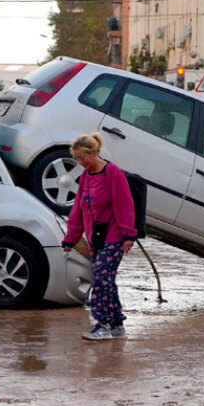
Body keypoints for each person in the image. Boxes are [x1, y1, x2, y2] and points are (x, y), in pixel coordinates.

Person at [60, 133, 137, 341]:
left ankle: (102, 324)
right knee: (107, 280)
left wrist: (129, 234)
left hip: (114, 237)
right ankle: (117, 325)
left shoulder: (113, 173)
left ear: (93, 152)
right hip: (96, 239)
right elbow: (78, 208)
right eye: (77, 158)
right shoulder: (86, 175)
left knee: (101, 278)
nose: (80, 162)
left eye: (82, 157)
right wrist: (71, 238)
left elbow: (124, 205)